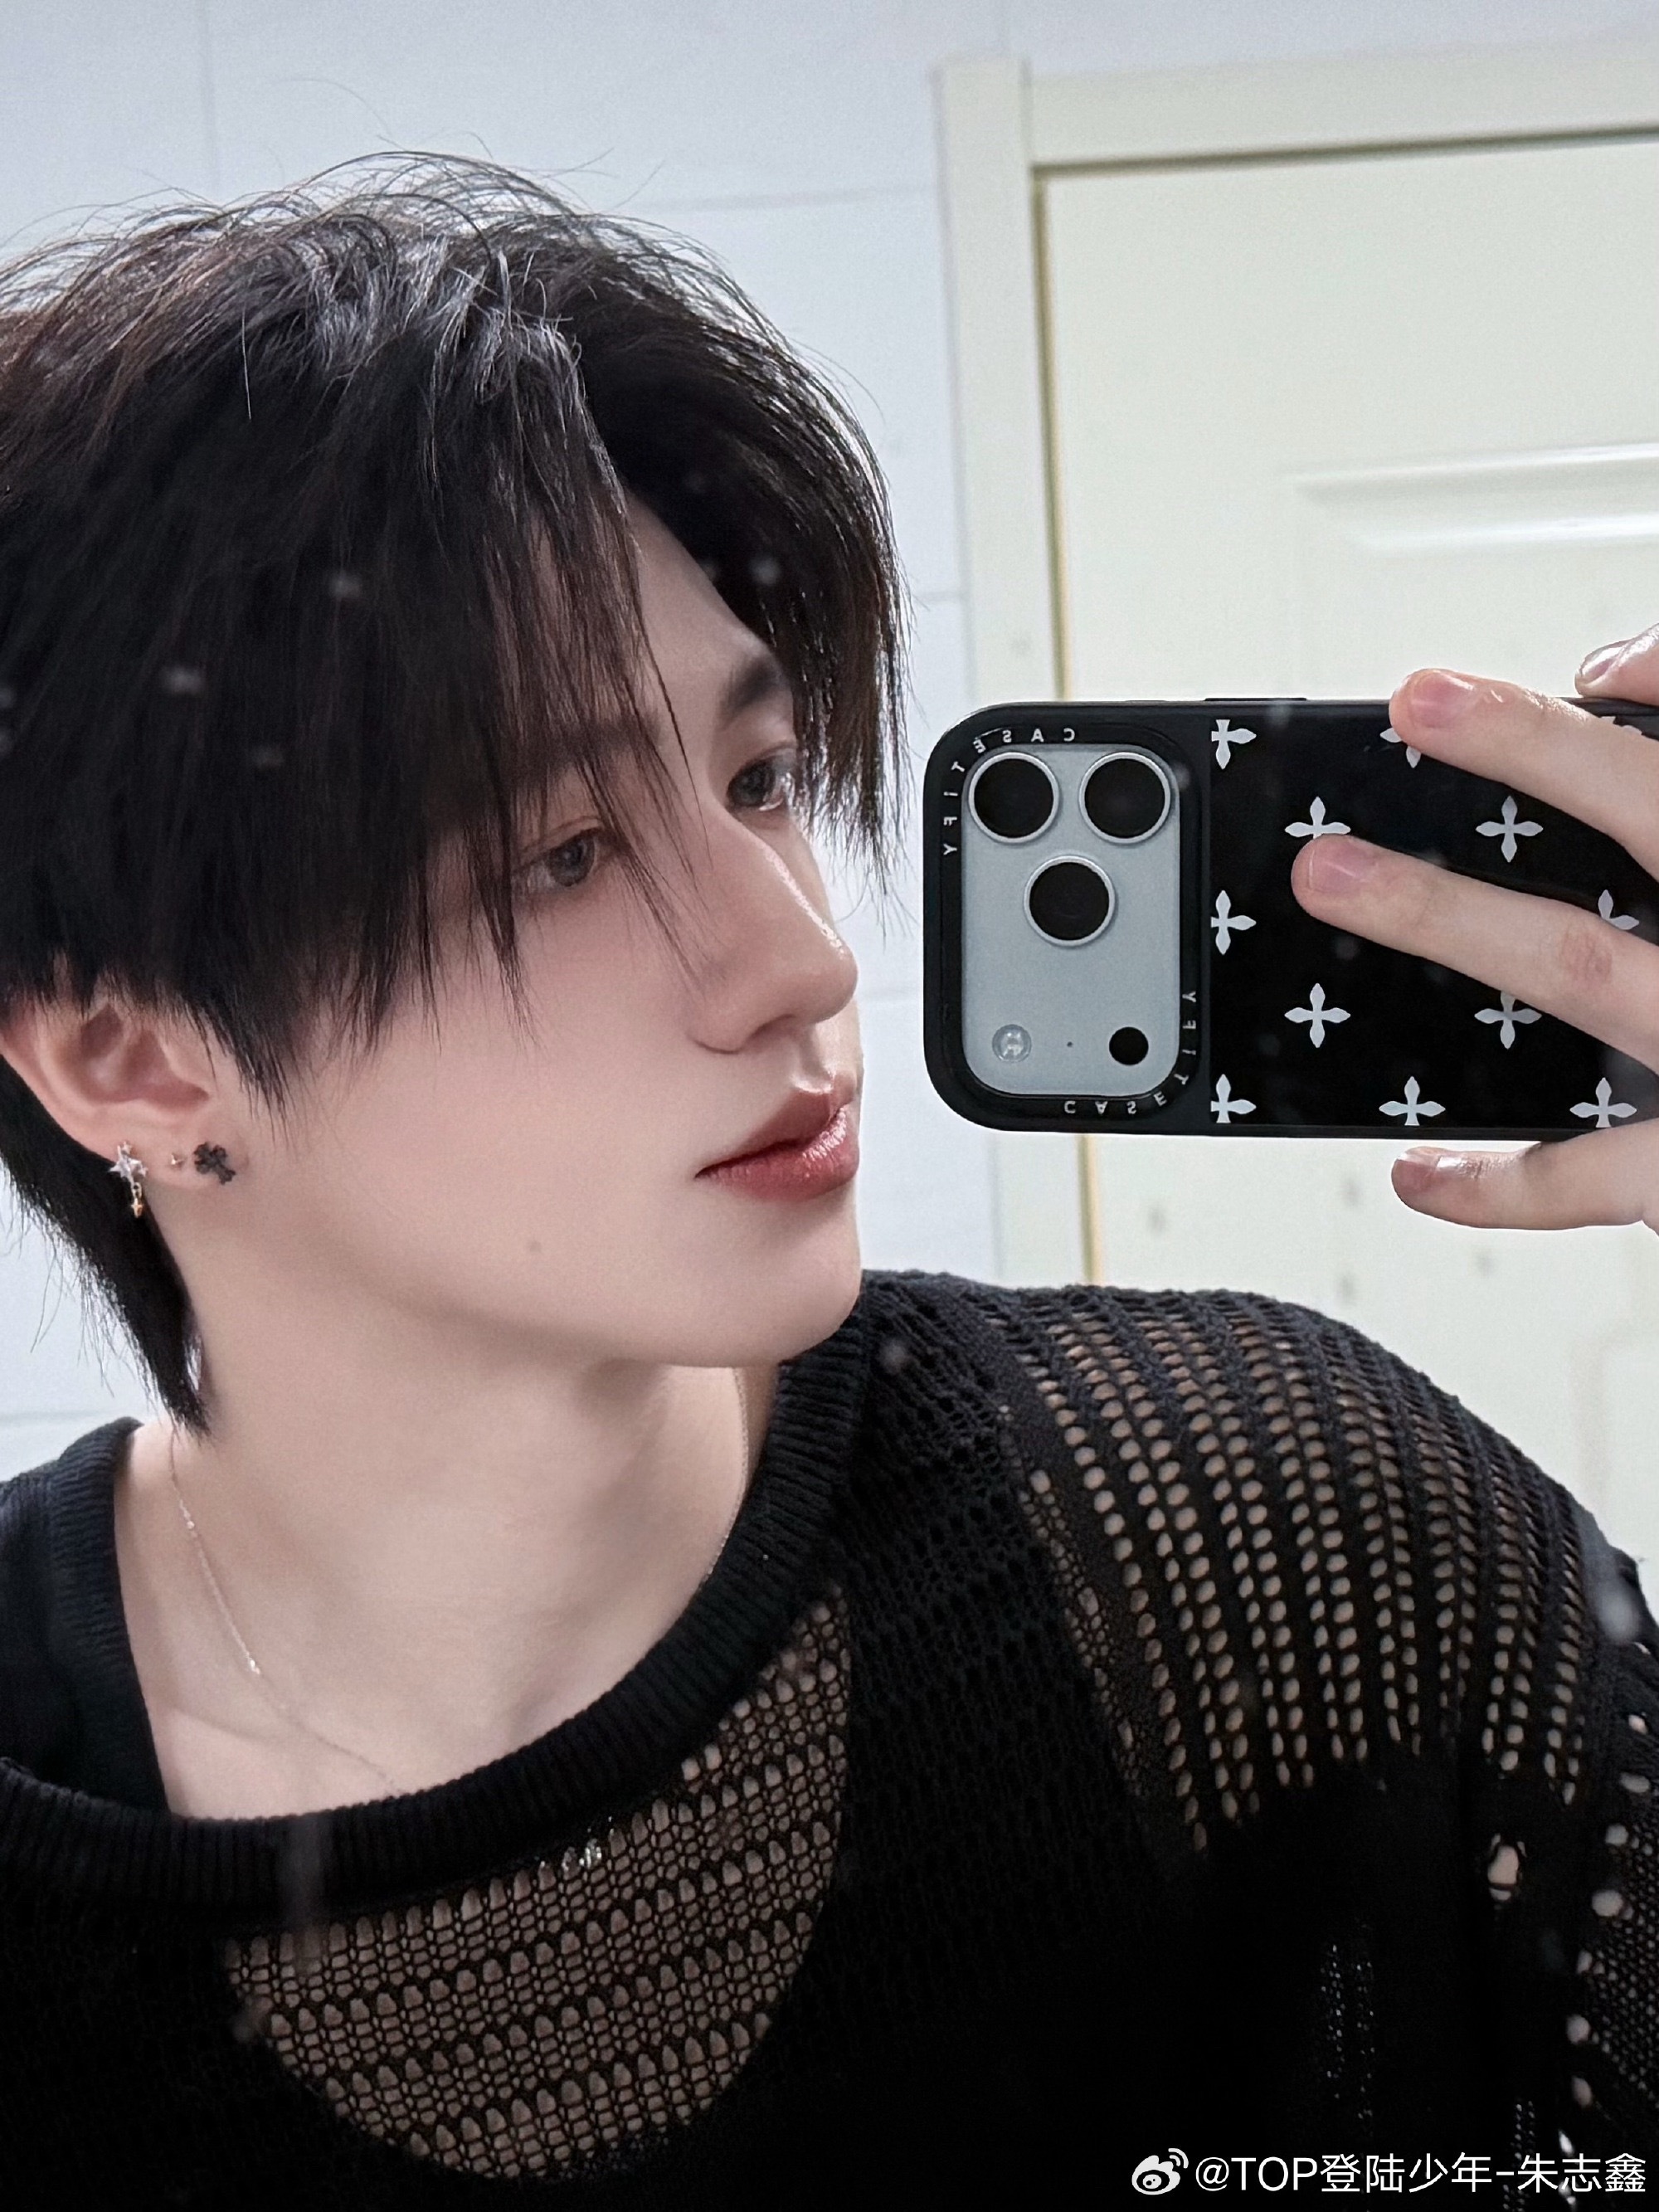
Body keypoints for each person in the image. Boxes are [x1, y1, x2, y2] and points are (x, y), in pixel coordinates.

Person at [0, 153, 1649, 2205]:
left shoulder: (1271, 1534)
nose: (799, 953)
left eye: (758, 776)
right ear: (134, 1059)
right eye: (559, 856)